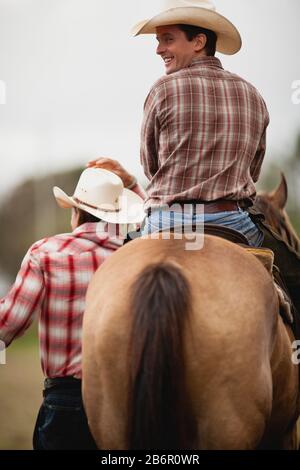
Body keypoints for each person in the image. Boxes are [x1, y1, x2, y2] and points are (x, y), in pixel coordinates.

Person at [0, 167, 145, 450]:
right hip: (124, 403)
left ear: (76, 213)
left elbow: (8, 325)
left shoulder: (45, 253)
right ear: (116, 218)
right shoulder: (135, 258)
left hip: (66, 401)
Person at [130, 0, 269, 247]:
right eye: (159, 41)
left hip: (167, 221)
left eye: (168, 39)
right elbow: (253, 172)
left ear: (198, 42)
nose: (159, 49)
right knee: (282, 274)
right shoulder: (253, 94)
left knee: (123, 268)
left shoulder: (162, 90)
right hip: (233, 223)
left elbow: (151, 167)